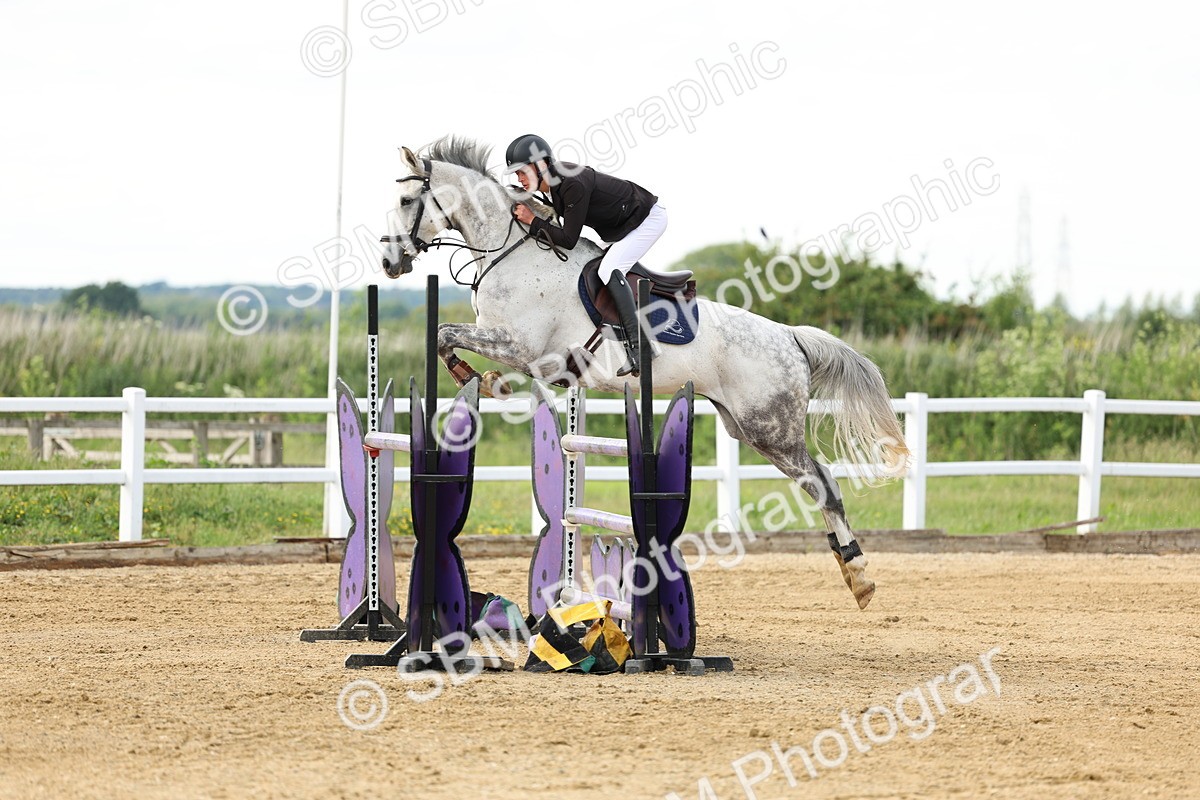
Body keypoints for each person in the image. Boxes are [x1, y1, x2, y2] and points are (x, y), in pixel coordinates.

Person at [506, 134, 666, 376]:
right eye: (516, 174)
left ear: (541, 164)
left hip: (646, 220)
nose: (519, 178)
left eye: (522, 172)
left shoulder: (571, 184)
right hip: (620, 227)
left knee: (609, 270)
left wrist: (532, 221)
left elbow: (568, 240)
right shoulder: (551, 184)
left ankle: (641, 347)